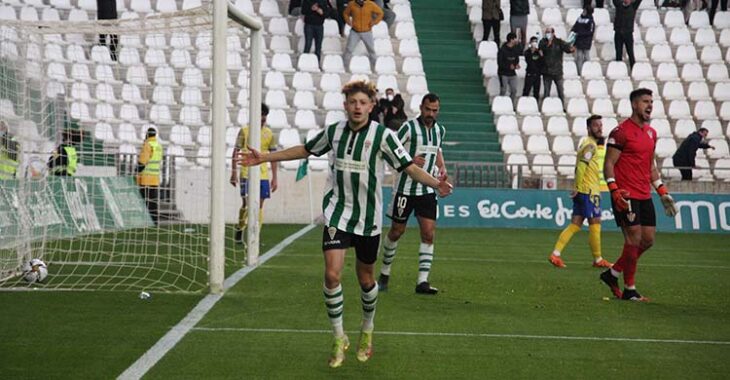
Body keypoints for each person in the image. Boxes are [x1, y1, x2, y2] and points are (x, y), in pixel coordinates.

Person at [238, 80, 453, 368]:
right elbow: (305, 149)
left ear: (371, 106)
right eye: (353, 102)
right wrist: (264, 157)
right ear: (345, 105)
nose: (357, 107)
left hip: (367, 220)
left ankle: (367, 328)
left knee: (366, 279)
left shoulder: (382, 136)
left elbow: (409, 167)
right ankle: (339, 337)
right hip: (337, 213)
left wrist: (436, 183)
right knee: (332, 275)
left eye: (363, 102)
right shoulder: (334, 132)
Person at [600, 88, 678, 302]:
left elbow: (650, 166)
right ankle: (630, 289)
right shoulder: (621, 132)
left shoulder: (652, 133)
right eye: (645, 101)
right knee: (634, 239)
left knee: (648, 240)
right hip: (626, 194)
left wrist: (662, 191)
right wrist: (614, 190)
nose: (650, 105)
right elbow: (609, 163)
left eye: (651, 101)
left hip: (645, 194)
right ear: (635, 104)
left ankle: (613, 273)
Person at [378, 93, 447, 295]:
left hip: (427, 189)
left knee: (428, 233)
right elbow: (391, 149)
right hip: (404, 190)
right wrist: (408, 159)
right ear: (421, 107)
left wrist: (442, 168)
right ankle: (384, 273)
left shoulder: (440, 130)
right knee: (396, 232)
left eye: (434, 110)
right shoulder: (408, 127)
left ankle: (422, 282)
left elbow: (437, 150)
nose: (431, 114)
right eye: (428, 109)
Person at [549, 115, 613, 269]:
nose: (600, 128)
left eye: (601, 125)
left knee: (575, 224)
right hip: (588, 191)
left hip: (585, 190)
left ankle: (555, 254)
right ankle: (598, 259)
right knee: (595, 223)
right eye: (596, 125)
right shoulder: (590, 146)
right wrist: (577, 187)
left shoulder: (587, 144)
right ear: (589, 128)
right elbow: (582, 167)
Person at [230, 104, 278, 244]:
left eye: (265, 118)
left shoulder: (270, 134)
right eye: (261, 117)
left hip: (262, 174)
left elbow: (274, 156)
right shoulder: (244, 131)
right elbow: (236, 151)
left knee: (260, 205)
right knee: (247, 204)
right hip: (246, 171)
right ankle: (240, 227)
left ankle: (255, 235)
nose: (263, 120)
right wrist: (233, 173)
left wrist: (275, 177)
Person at [539, 27, 574, 107]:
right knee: (546, 91)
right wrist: (548, 44)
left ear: (553, 33)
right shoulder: (543, 42)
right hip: (547, 71)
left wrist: (571, 49)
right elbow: (541, 50)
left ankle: (562, 106)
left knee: (560, 91)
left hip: (557, 71)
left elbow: (567, 49)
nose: (547, 34)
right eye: (546, 32)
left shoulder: (559, 42)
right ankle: (545, 106)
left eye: (549, 32)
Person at [343, 0, 384, 67]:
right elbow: (345, 13)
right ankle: (345, 66)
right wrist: (348, 21)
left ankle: (374, 67)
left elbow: (380, 13)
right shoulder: (351, 4)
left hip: (367, 31)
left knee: (371, 50)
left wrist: (374, 22)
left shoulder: (370, 4)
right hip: (355, 31)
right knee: (349, 49)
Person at [137, 127, 163, 225]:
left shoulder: (148, 145)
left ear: (147, 134)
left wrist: (137, 171)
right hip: (155, 179)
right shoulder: (158, 146)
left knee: (145, 202)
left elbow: (143, 162)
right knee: (153, 203)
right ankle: (155, 222)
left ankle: (146, 221)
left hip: (146, 179)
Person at [613, 0, 641, 69]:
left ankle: (633, 69)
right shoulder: (619, 5)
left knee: (630, 53)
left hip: (628, 33)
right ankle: (619, 70)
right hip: (618, 33)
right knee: (618, 54)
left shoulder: (633, 7)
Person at [498, 32, 521, 106]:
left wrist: (516, 65)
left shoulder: (515, 49)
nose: (516, 40)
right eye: (515, 39)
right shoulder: (502, 50)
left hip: (512, 73)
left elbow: (516, 59)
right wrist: (508, 66)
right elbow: (500, 63)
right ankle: (500, 104)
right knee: (503, 90)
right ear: (511, 40)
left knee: (514, 90)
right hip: (503, 73)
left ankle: (510, 104)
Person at [571, 4, 595, 76]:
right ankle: (580, 72)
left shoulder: (590, 21)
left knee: (586, 57)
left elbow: (590, 32)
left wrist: (580, 33)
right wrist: (573, 32)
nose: (583, 11)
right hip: (578, 41)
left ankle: (588, 71)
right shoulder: (579, 18)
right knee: (579, 57)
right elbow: (575, 26)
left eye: (585, 10)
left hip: (586, 42)